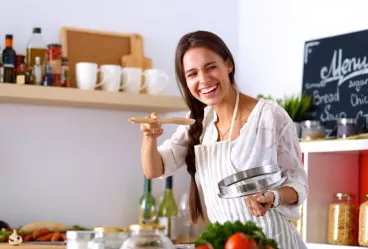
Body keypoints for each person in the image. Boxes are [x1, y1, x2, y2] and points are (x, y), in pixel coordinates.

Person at [140, 30, 309, 249]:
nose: (203, 80)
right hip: (229, 243)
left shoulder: (268, 116)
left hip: (274, 242)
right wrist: (148, 137)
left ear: (228, 65)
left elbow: (299, 184)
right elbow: (154, 169)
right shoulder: (197, 121)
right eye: (192, 74)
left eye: (211, 67)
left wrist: (273, 196)